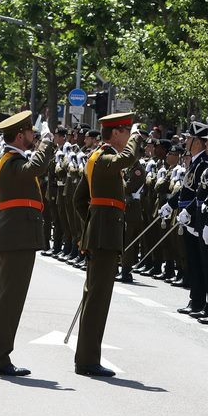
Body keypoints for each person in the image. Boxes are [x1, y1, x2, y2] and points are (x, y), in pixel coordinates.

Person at [0, 110, 55, 377]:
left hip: (12, 236)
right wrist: (47, 142)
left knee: (3, 301)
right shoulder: (13, 162)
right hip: (18, 238)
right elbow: (35, 168)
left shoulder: (5, 162)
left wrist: (5, 225)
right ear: (20, 134)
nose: (33, 137)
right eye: (30, 133)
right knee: (10, 301)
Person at [73, 112, 143, 376]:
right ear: (116, 134)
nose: (128, 136)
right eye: (126, 131)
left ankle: (86, 357)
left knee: (95, 296)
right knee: (97, 299)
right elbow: (127, 158)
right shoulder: (103, 159)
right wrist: (136, 138)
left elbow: (78, 200)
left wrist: (91, 224)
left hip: (100, 234)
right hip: (104, 237)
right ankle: (88, 361)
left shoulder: (96, 160)